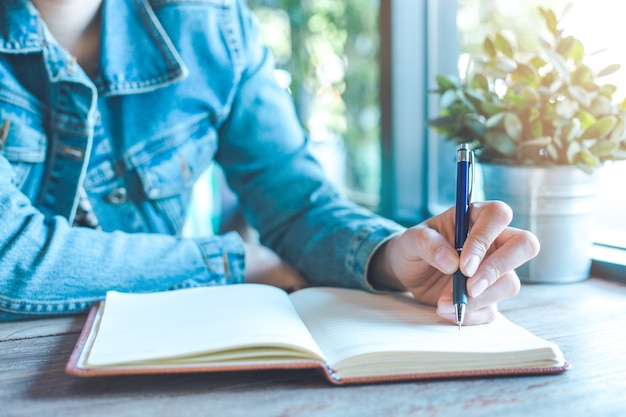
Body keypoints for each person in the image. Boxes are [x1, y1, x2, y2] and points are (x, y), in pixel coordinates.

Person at [0, 0, 538, 323]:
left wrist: (398, 258)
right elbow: (9, 255)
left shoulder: (210, 25)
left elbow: (296, 202)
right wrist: (233, 264)